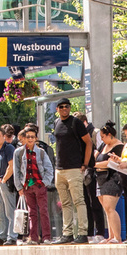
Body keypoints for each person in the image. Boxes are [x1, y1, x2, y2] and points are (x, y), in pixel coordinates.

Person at [49, 99, 92, 244]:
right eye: (61, 107)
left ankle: (82, 233)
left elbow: (88, 142)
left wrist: (85, 164)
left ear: (70, 107)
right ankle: (67, 234)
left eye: (67, 106)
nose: (64, 109)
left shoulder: (76, 123)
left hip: (74, 168)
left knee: (78, 201)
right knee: (65, 203)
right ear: (57, 109)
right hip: (59, 169)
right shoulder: (56, 122)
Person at [12, 126, 55, 245]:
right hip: (27, 186)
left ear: (36, 138)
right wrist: (19, 187)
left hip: (39, 185)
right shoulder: (19, 152)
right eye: (28, 137)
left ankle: (46, 237)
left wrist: (44, 183)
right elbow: (16, 171)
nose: (30, 139)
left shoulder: (40, 152)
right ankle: (34, 238)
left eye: (32, 137)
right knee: (31, 212)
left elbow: (49, 168)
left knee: (44, 211)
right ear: (24, 138)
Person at [93, 121, 126, 243]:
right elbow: (96, 156)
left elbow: (110, 163)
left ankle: (117, 237)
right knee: (106, 209)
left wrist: (94, 165)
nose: (101, 139)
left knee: (110, 207)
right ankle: (111, 236)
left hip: (112, 178)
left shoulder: (119, 146)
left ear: (109, 135)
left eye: (103, 136)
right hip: (100, 178)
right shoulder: (103, 146)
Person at [0, 125, 18, 245]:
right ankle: (1, 235)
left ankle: (12, 236)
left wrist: (4, 179)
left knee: (9, 211)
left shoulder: (9, 148)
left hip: (7, 183)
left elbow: (11, 166)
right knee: (0, 211)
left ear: (3, 136)